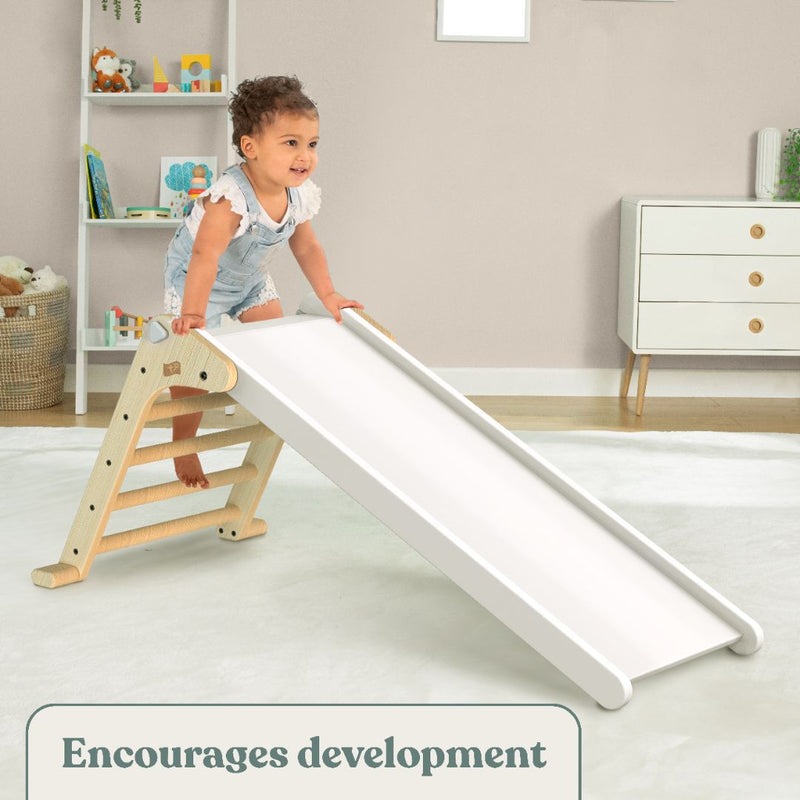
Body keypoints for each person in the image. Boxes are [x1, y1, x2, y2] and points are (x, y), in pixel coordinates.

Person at [163, 75, 363, 488]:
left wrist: (328, 293)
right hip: (198, 284)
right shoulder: (229, 198)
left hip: (250, 281)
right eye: (291, 143)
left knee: (276, 343)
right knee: (190, 378)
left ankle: (284, 415)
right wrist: (194, 313)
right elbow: (204, 257)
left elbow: (306, 248)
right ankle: (184, 445)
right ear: (250, 147)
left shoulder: (298, 194)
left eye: (312, 143)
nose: (304, 155)